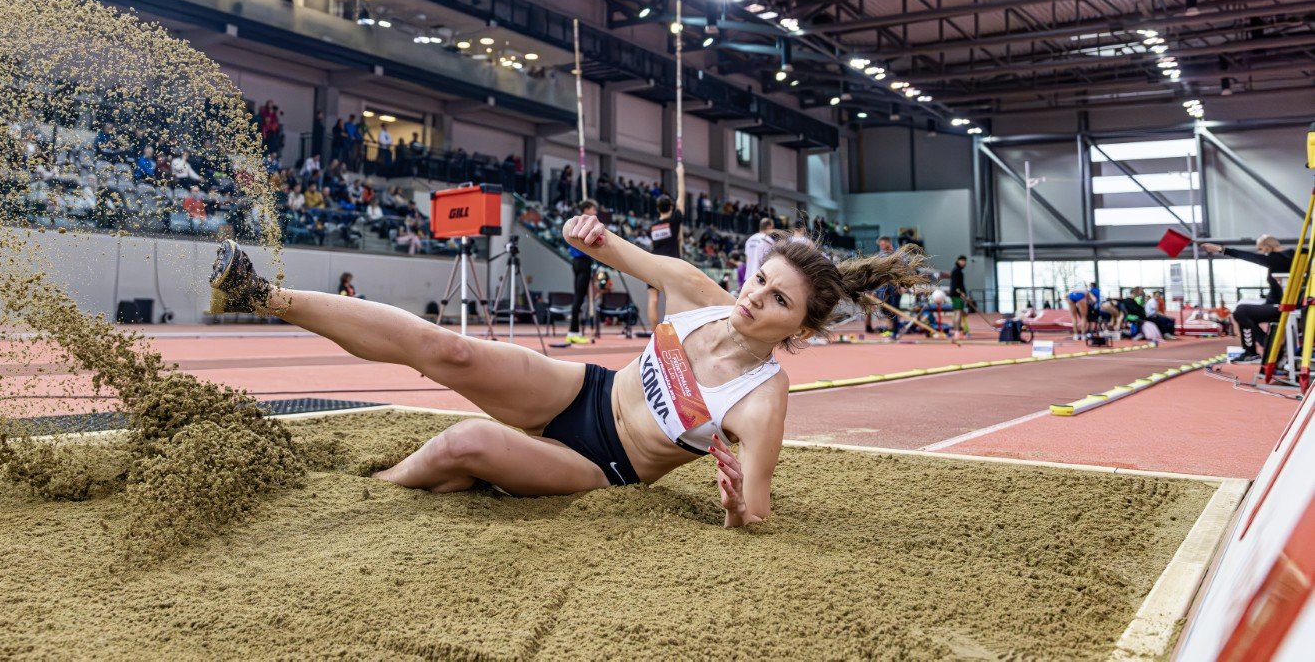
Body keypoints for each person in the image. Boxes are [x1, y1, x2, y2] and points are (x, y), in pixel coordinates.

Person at [206, 221, 930, 516]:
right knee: (452, 352)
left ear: (798, 328)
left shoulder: (762, 400)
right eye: (760, 281)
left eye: (777, 301)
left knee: (464, 442)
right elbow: (608, 248)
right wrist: (587, 233)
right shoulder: (697, 293)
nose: (755, 299)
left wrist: (739, 503)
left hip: (603, 467)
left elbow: (758, 514)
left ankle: (368, 492)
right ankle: (260, 294)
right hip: (583, 390)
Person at [1206, 237, 1294, 362]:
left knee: (1241, 312)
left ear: (1267, 247)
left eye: (1260, 249)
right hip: (1280, 303)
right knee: (1242, 307)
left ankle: (1262, 348)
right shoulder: (1291, 255)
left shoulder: (1278, 259)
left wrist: (1221, 249)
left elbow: (1249, 256)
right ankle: (1264, 346)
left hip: (1285, 306)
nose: (1259, 252)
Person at [644, 196, 685, 330]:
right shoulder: (674, 220)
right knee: (672, 298)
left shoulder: (652, 227)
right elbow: (681, 201)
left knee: (653, 298)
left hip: (653, 263)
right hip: (670, 263)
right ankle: (673, 331)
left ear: (658, 209)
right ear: (671, 207)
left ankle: (655, 333)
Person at [564, 199, 601, 346]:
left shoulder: (575, 222)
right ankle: (573, 332)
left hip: (578, 262)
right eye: (593, 209)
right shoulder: (584, 224)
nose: (595, 212)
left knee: (579, 297)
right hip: (583, 262)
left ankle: (574, 331)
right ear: (586, 209)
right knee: (579, 298)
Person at [946, 255, 971, 336]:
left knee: (956, 312)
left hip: (956, 294)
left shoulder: (958, 271)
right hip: (957, 295)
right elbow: (956, 285)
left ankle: (956, 330)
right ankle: (957, 331)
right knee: (958, 312)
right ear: (958, 261)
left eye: (965, 261)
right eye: (962, 261)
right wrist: (962, 294)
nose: (964, 263)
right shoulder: (957, 271)